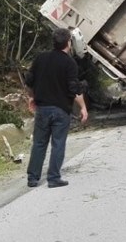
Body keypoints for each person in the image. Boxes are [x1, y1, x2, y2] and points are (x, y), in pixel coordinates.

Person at [25, 28, 89, 188]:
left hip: (42, 109)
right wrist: (83, 108)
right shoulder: (69, 63)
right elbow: (74, 88)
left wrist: (32, 97)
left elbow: (29, 81)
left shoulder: (40, 58)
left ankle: (33, 178)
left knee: (39, 143)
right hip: (61, 110)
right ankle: (53, 178)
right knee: (58, 143)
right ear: (69, 42)